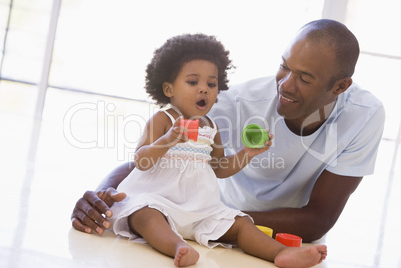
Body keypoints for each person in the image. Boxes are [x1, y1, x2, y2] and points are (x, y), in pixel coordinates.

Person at [71, 19, 385, 244]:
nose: (285, 85)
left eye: (304, 78)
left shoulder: (363, 117)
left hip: (262, 231)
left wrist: (212, 220)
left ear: (340, 87)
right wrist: (104, 195)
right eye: (284, 66)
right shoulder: (235, 104)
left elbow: (317, 220)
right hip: (211, 219)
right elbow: (155, 157)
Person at [105, 33, 327, 267]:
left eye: (211, 84)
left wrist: (246, 154)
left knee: (241, 223)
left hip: (199, 207)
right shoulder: (164, 120)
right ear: (169, 89)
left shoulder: (210, 127)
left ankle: (281, 252)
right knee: (145, 215)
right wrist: (168, 139)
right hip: (158, 200)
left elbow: (219, 168)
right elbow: (141, 160)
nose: (204, 90)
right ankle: (178, 246)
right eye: (193, 82)